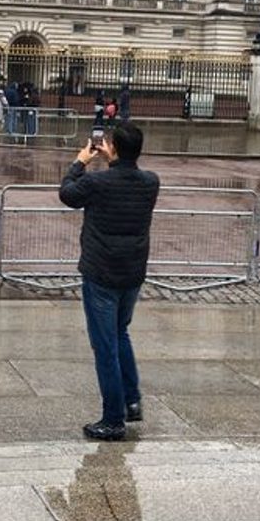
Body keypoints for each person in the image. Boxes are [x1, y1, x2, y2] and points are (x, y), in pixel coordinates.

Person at [58, 122, 160, 442]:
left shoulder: (98, 183)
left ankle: (113, 419)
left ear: (112, 147)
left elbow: (67, 194)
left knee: (105, 347)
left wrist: (81, 161)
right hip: (132, 273)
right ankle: (131, 401)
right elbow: (124, 179)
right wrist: (113, 159)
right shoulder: (150, 182)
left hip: (101, 273)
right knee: (120, 333)